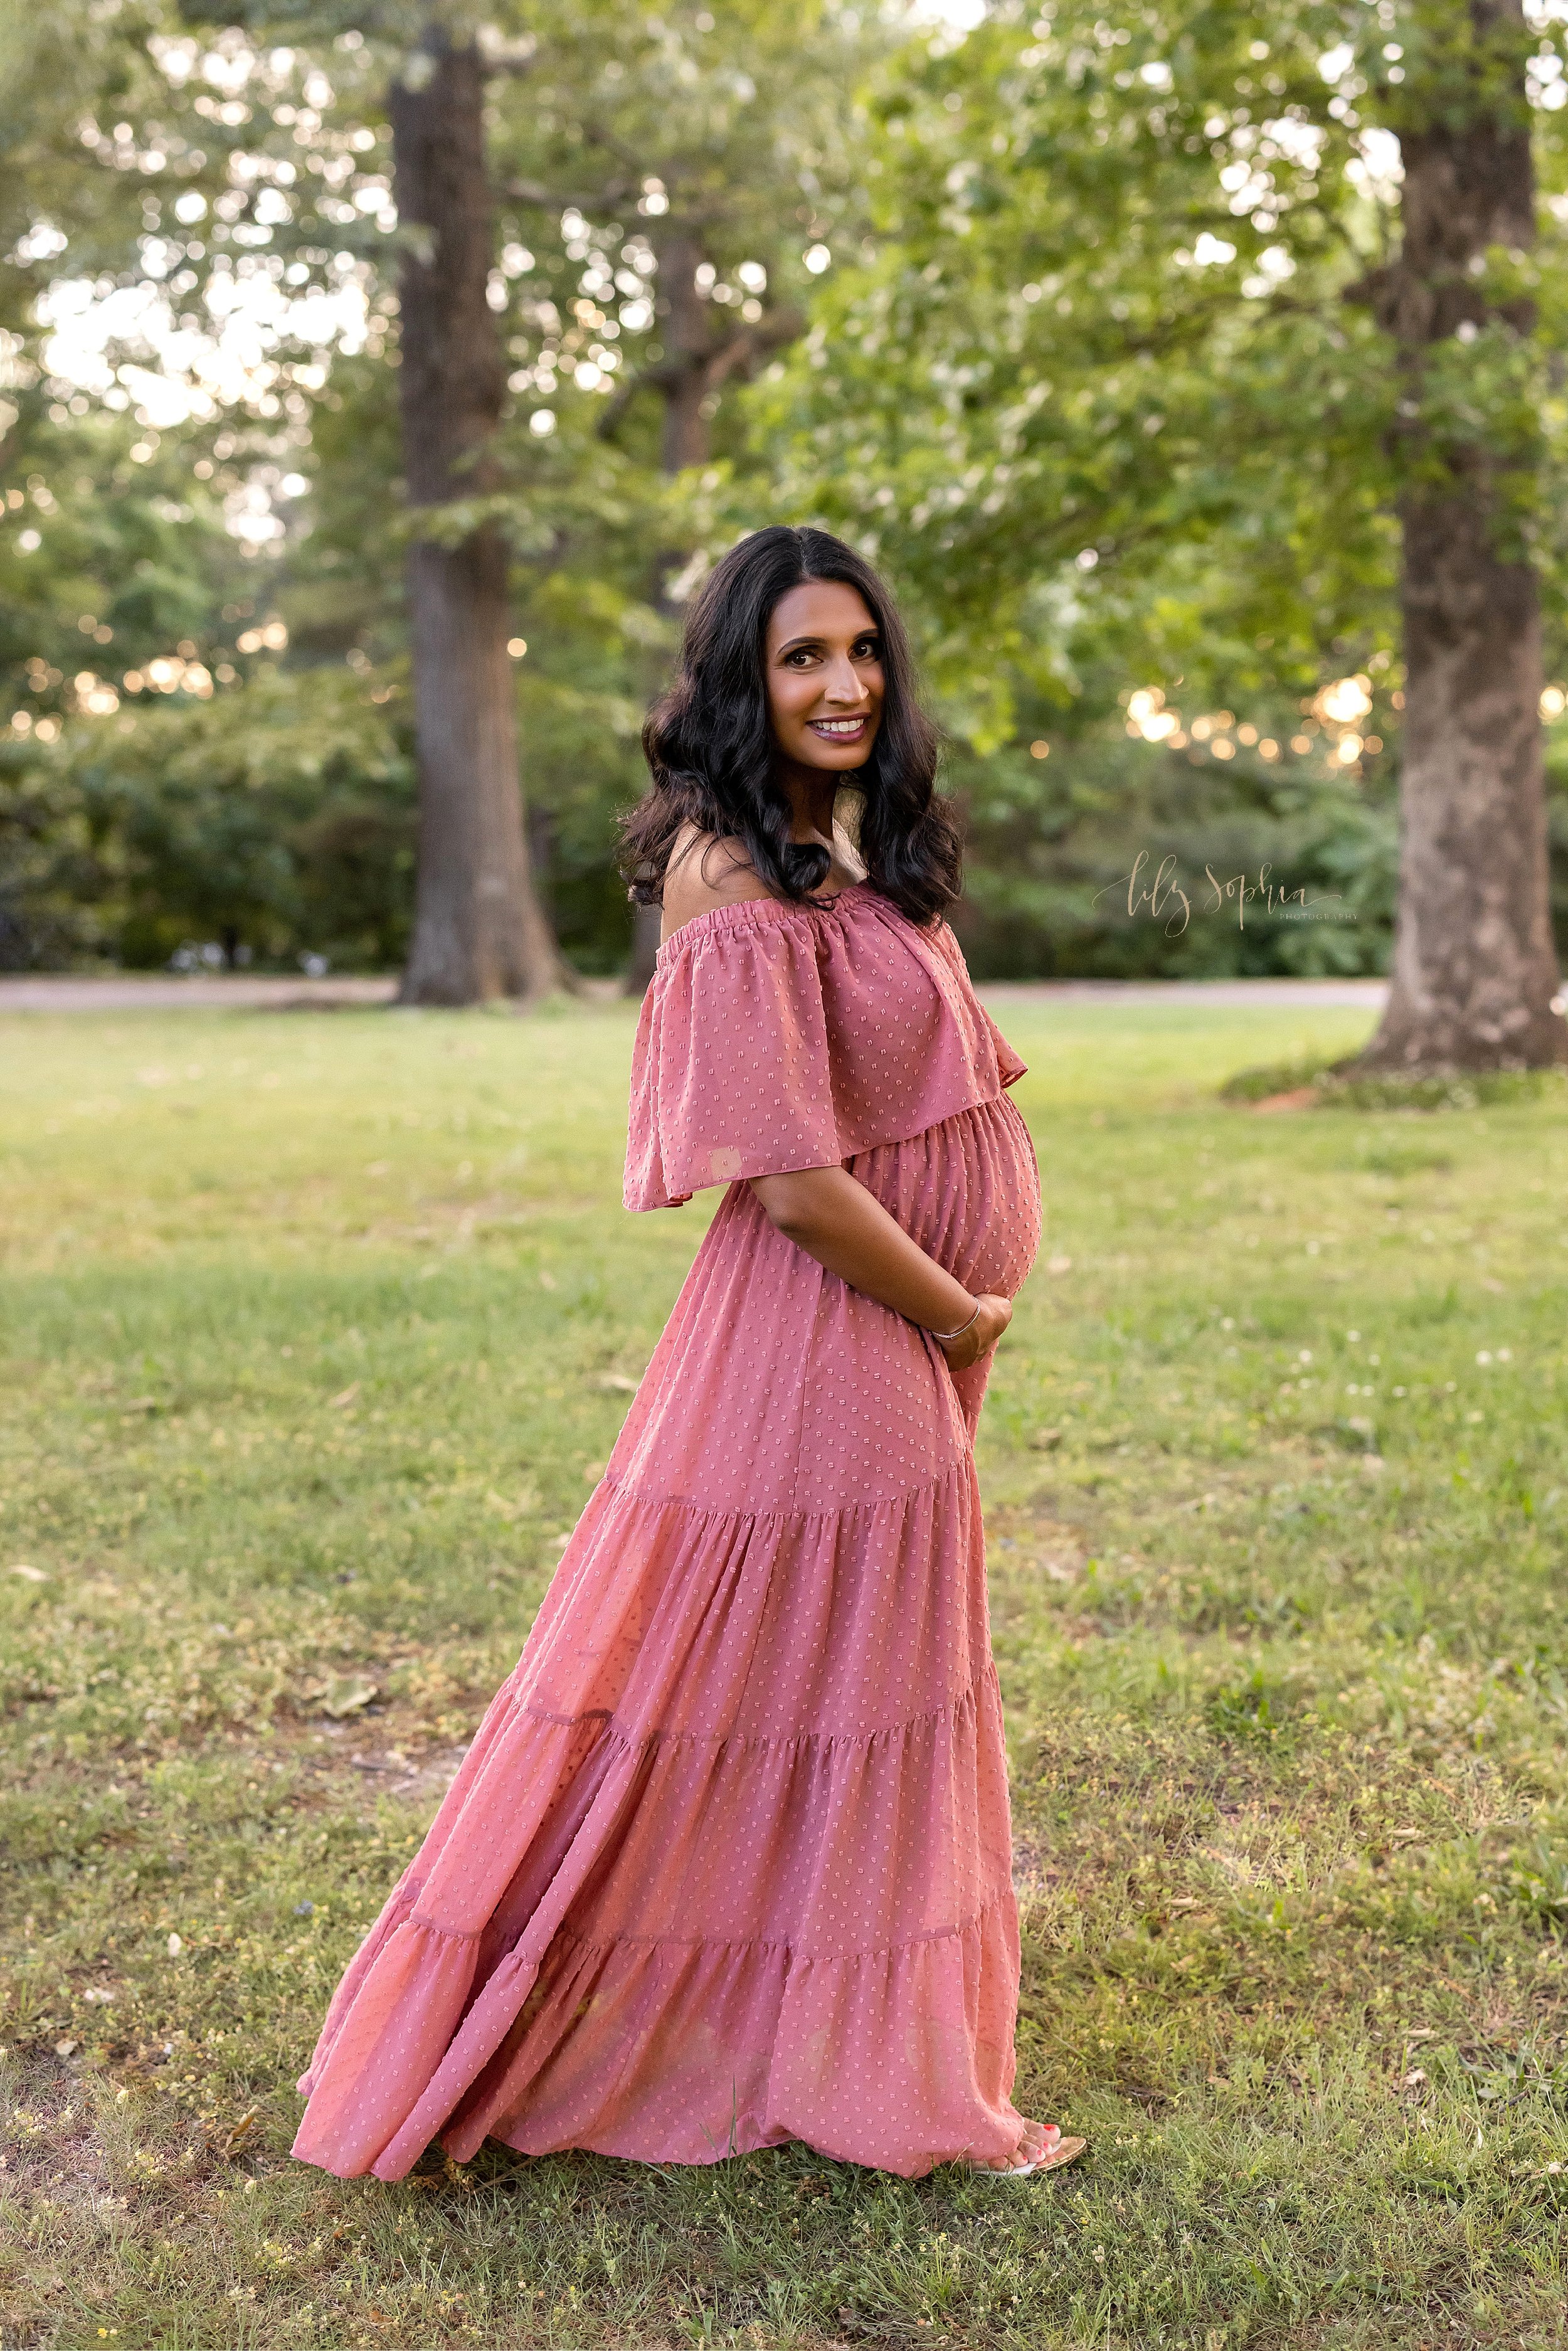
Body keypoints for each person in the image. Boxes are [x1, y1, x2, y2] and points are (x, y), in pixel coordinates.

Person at [292, 524, 1083, 2184]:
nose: (843, 682)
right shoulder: (726, 867)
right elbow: (788, 1179)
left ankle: (837, 2026)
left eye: (859, 649)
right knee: (842, 1693)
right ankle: (887, 2078)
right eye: (801, 656)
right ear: (740, 677)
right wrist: (951, 1307)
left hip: (901, 1323)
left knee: (833, 1691)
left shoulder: (857, 841)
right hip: (835, 1324)